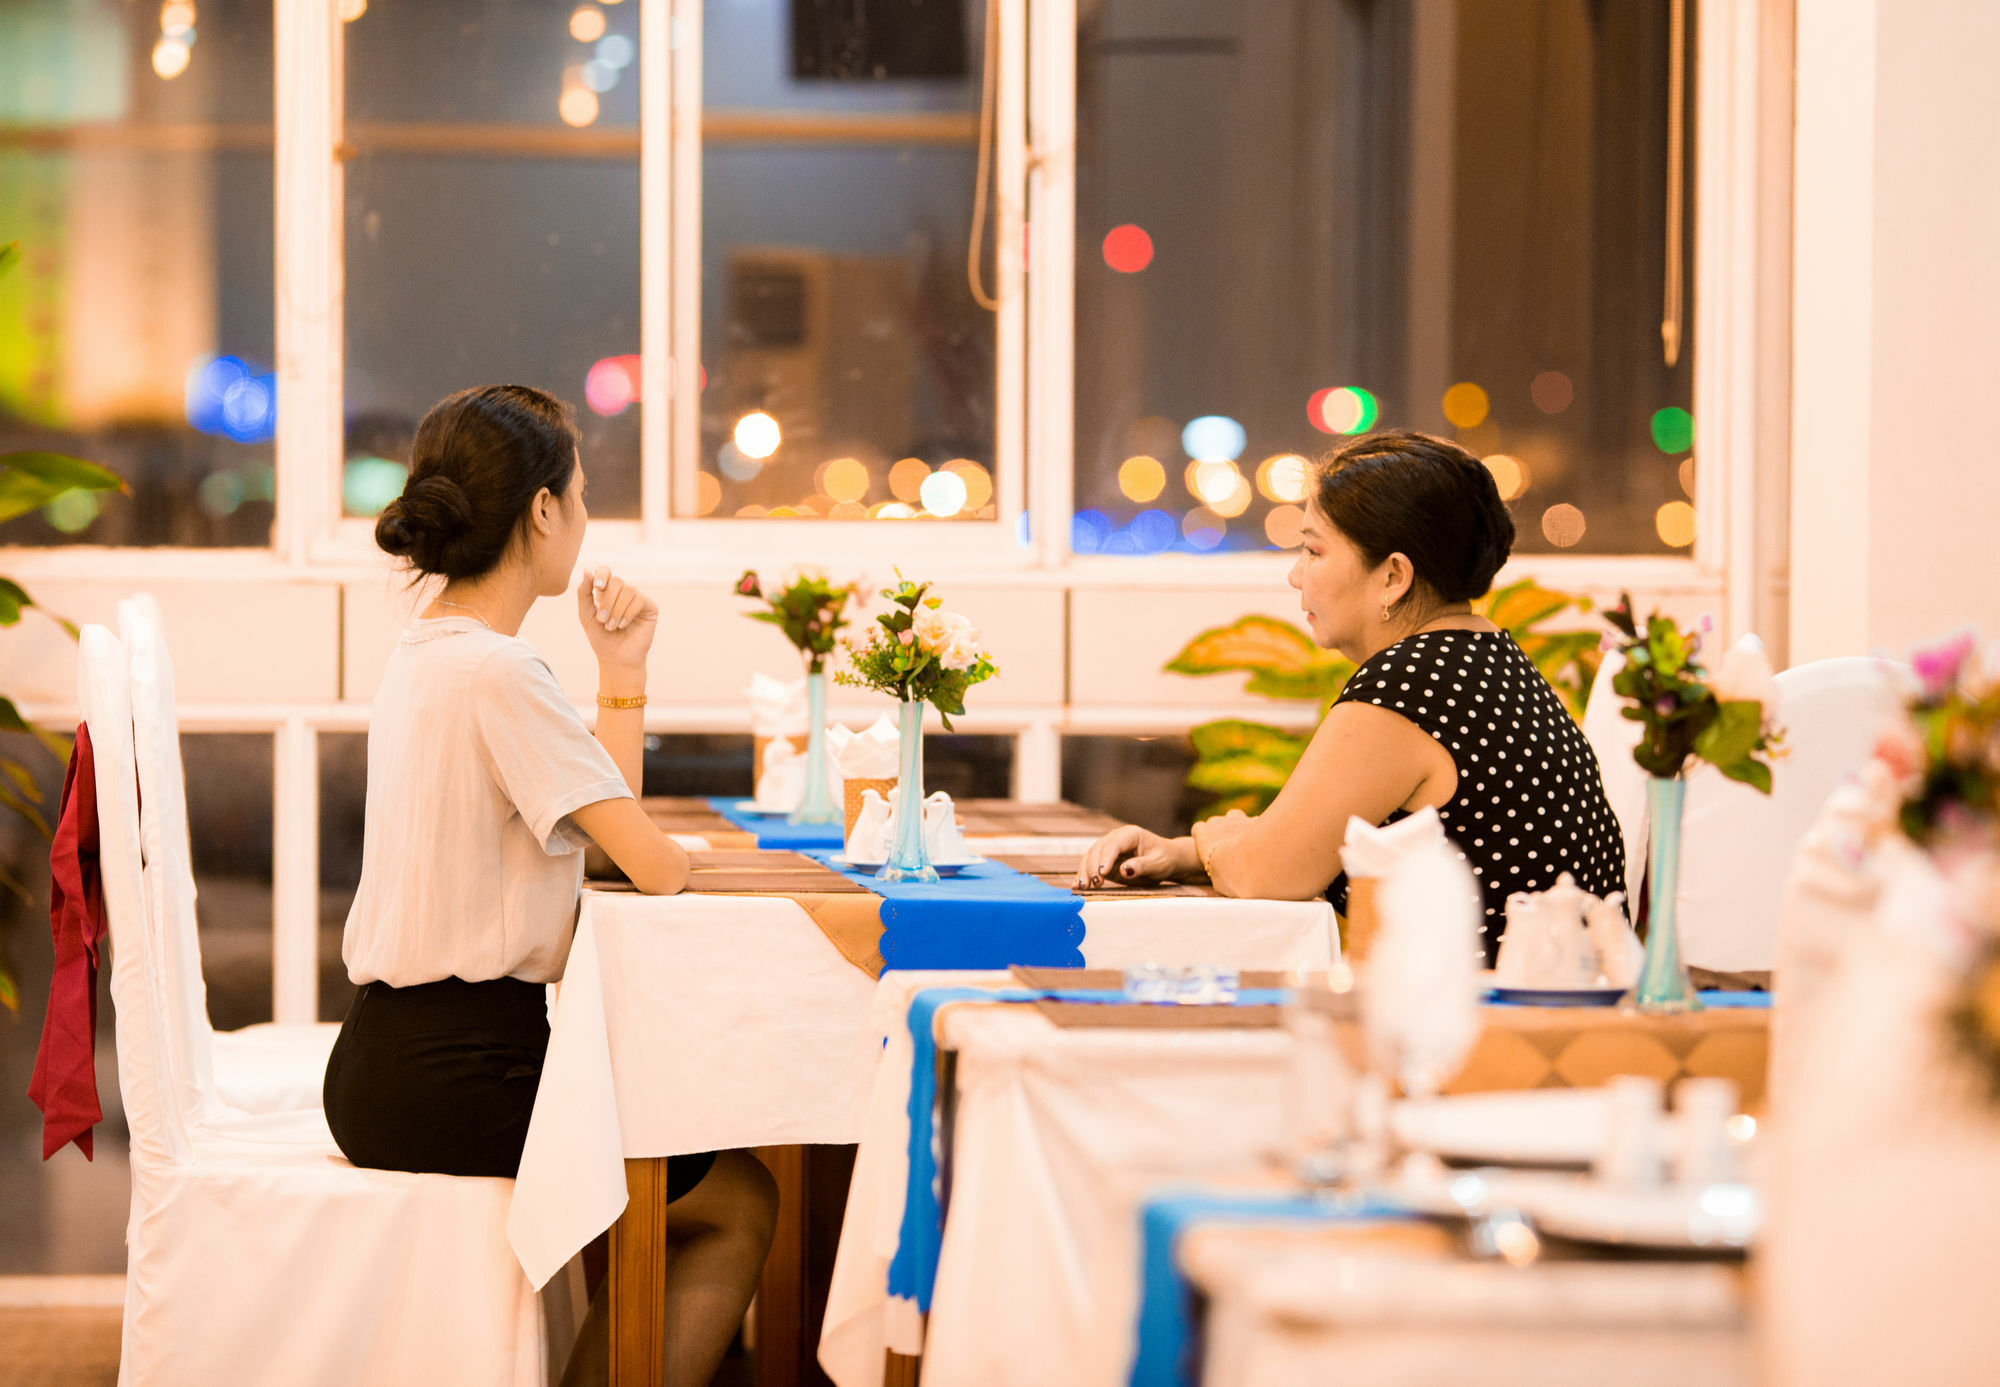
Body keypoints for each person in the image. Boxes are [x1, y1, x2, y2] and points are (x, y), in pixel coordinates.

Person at [321, 385, 776, 1387]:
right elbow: (647, 864)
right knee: (738, 1196)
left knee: (693, 1167)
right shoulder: (499, 673)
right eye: (579, 492)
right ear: (539, 511)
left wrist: (619, 667)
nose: (583, 513)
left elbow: (599, 844)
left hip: (392, 1059)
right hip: (455, 1072)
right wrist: (693, 859)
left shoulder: (433, 652)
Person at [1076, 429, 1624, 961]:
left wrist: (1221, 842)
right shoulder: (1486, 659)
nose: (1295, 576)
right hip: (1559, 1003)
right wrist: (1188, 852)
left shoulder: (1413, 686)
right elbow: (1297, 843)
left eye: (1313, 552)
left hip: (1479, 1024)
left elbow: (1270, 873)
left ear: (1393, 577)